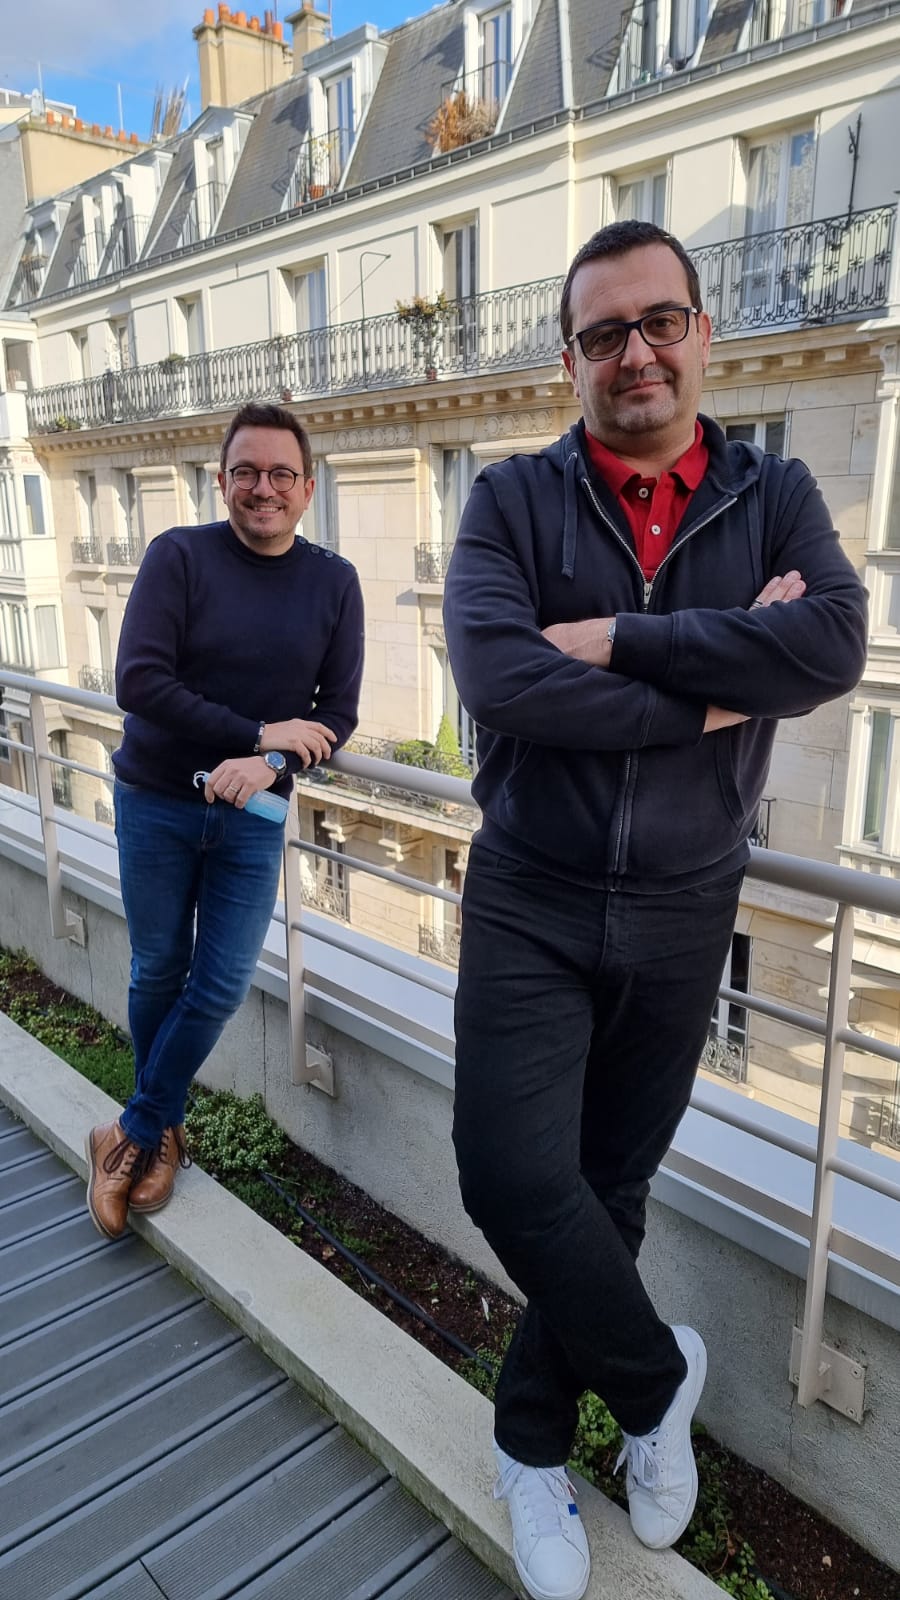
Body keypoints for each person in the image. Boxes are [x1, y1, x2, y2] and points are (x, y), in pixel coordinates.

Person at [442, 221, 867, 1600]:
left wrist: (627, 639)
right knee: (514, 1176)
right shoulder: (510, 500)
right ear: (570, 358)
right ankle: (654, 1378)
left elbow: (833, 643)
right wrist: (721, 688)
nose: (636, 352)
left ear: (702, 333)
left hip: (690, 904)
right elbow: (504, 683)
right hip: (532, 890)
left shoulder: (774, 491)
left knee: (609, 1187)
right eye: (604, 332)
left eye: (659, 321)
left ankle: (530, 1448)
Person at [86, 401, 364, 1241]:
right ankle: (162, 1136)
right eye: (246, 471)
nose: (263, 488)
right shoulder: (179, 556)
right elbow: (140, 682)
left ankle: (129, 1131)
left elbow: (336, 715)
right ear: (222, 480)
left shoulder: (334, 582)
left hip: (253, 814)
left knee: (220, 984)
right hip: (157, 801)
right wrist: (255, 733)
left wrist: (268, 763)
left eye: (281, 474)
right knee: (157, 971)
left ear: (307, 487)